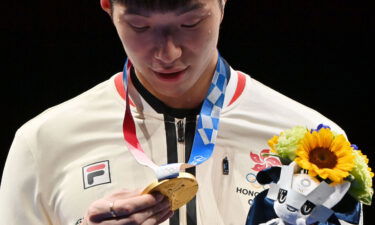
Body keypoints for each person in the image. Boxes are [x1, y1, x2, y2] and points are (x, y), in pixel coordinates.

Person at [0, 0, 363, 224]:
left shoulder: (317, 142)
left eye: (190, 22)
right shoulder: (42, 142)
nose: (168, 52)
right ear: (108, 7)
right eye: (140, 26)